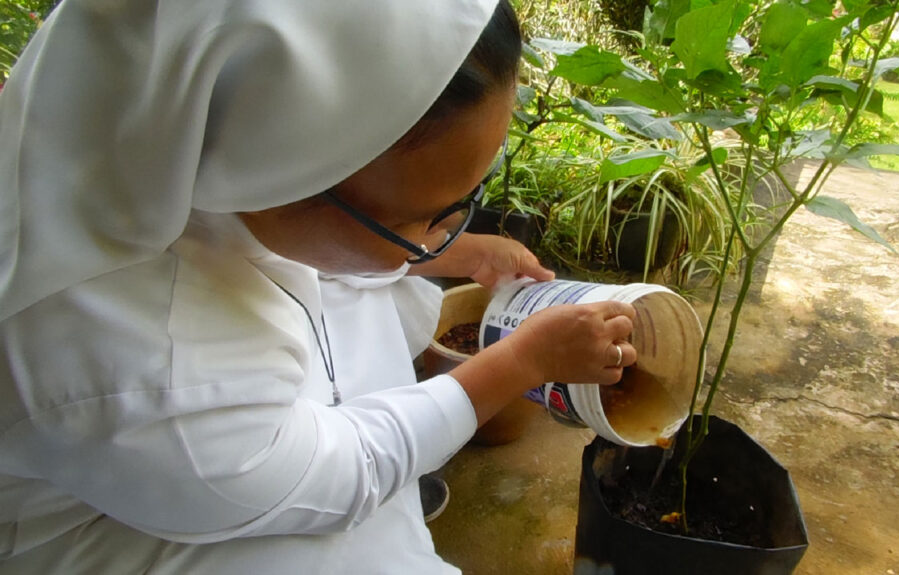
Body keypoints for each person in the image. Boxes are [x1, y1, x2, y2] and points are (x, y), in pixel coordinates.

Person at [0, 0, 638, 572]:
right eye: (409, 220)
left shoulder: (180, 120)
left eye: (456, 205)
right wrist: (522, 360)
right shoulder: (134, 360)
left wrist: (453, 253)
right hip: (122, 525)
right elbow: (345, 467)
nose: (431, 237)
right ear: (283, 166)